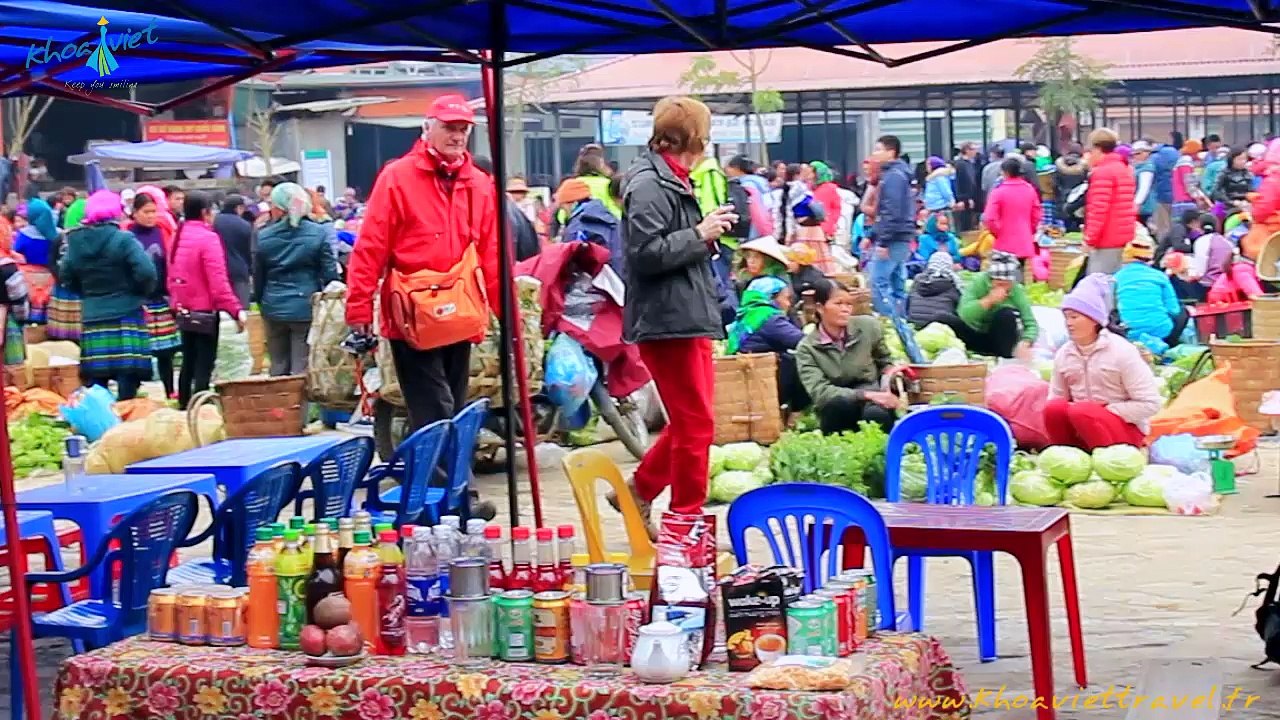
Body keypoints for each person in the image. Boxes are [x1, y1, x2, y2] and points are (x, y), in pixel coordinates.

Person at [345, 94, 502, 520]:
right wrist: (359, 308)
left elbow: (490, 250)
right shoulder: (397, 177)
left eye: (463, 128)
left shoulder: (478, 182)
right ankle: (459, 500)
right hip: (410, 315)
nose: (456, 134)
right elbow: (371, 246)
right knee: (435, 408)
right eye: (449, 126)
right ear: (427, 128)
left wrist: (504, 307)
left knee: (450, 403)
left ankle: (433, 498)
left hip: (460, 311)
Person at [612, 94, 734, 526]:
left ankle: (643, 489)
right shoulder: (649, 183)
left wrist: (705, 234)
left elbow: (666, 244)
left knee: (694, 422)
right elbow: (643, 254)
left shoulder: (671, 177)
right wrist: (699, 234)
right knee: (696, 425)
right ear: (694, 137)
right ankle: (686, 522)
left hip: (686, 313)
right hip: (667, 319)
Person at [57, 190, 156, 400]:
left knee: (97, 378)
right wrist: (139, 293)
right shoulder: (124, 240)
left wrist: (86, 293)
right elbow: (146, 272)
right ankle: (126, 414)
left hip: (94, 314)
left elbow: (65, 274)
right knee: (128, 375)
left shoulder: (75, 241)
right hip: (126, 312)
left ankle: (104, 422)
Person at [1045, 274, 1161, 451]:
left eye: (1074, 317)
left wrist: (1105, 412)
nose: (1069, 324)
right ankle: (1070, 457)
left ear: (1094, 320)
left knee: (1082, 412)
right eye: (1066, 317)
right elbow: (1056, 398)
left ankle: (1106, 461)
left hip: (1123, 430)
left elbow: (1150, 403)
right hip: (1081, 429)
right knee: (1054, 408)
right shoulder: (1064, 354)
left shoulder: (1121, 351)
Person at [253, 183, 339, 377]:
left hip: (273, 306)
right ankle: (300, 407)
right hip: (305, 306)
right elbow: (330, 275)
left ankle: (278, 406)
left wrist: (262, 302)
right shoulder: (318, 233)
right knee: (301, 367)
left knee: (277, 364)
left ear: (278, 208)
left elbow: (258, 277)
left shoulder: (264, 237)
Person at [169, 192, 245, 408]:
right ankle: (201, 410)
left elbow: (172, 274)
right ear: (205, 212)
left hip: (184, 310)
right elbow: (218, 281)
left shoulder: (178, 234)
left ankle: (184, 408)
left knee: (188, 363)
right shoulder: (208, 238)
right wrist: (235, 310)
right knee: (204, 365)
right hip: (204, 312)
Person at [795, 280, 898, 434]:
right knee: (839, 405)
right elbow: (820, 391)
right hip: (837, 401)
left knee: (876, 415)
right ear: (820, 308)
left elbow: (884, 361)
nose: (845, 309)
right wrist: (864, 395)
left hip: (872, 394)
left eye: (849, 304)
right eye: (838, 303)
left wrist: (892, 375)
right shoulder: (807, 348)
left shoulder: (868, 327)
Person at [727, 276, 807, 411]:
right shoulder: (768, 318)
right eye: (786, 298)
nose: (788, 304)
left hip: (746, 379)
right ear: (771, 298)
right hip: (763, 381)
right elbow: (802, 342)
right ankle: (794, 412)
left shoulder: (747, 314)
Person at [940, 250, 1037, 359]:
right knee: (943, 318)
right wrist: (988, 300)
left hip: (1001, 340)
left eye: (1007, 285)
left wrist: (1026, 341)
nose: (1003, 288)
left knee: (1006, 314)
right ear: (991, 279)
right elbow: (964, 314)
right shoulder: (979, 282)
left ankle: (1004, 356)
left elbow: (1030, 323)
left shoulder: (1016, 291)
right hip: (974, 334)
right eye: (999, 283)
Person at [1113, 236, 1187, 353]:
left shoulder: (1116, 278)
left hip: (1128, 333)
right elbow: (1174, 310)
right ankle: (1172, 346)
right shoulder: (1160, 276)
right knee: (1183, 311)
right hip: (1162, 330)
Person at [869, 135, 916, 315]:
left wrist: (883, 241)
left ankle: (889, 321)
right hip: (901, 235)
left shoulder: (893, 177)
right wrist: (872, 235)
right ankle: (901, 323)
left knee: (878, 282)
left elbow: (892, 211)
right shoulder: (899, 174)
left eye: (878, 149)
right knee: (897, 284)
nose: (875, 154)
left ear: (891, 152)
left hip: (894, 237)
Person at [1082, 128, 1136, 275]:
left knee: (1099, 284)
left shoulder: (1103, 172)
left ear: (1097, 148)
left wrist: (1089, 238)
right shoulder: (1123, 168)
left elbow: (1098, 209)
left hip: (1106, 236)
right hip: (1121, 233)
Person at [983, 156, 1042, 263]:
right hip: (1024, 239)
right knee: (1020, 273)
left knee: (1005, 276)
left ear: (1005, 172)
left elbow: (990, 218)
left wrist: (997, 232)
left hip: (1004, 242)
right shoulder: (1029, 189)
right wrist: (1029, 230)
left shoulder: (998, 192)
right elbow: (1036, 215)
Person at [214, 193, 254, 308]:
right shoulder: (245, 225)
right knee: (242, 308)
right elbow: (250, 251)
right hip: (239, 271)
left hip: (219, 270)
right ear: (239, 208)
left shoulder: (214, 221)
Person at [907, 251, 962, 328]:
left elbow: (908, 304)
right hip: (940, 329)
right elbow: (962, 310)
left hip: (914, 324)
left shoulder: (917, 281)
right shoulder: (952, 284)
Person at [809, 160, 843, 239]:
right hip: (810, 230)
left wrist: (827, 229)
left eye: (810, 172)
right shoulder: (808, 188)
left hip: (824, 231)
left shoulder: (829, 188)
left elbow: (833, 210)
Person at [953, 142, 982, 231]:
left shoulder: (970, 164)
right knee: (964, 224)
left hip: (969, 198)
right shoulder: (961, 165)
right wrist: (965, 198)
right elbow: (962, 182)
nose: (975, 152)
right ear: (966, 150)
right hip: (964, 199)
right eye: (973, 149)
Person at [1131, 140, 1158, 227]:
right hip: (1142, 206)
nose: (1135, 156)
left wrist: (1136, 203)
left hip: (1146, 206)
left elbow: (1144, 188)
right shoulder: (1138, 167)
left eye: (1138, 153)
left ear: (1146, 153)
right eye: (1133, 154)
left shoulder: (1146, 169)